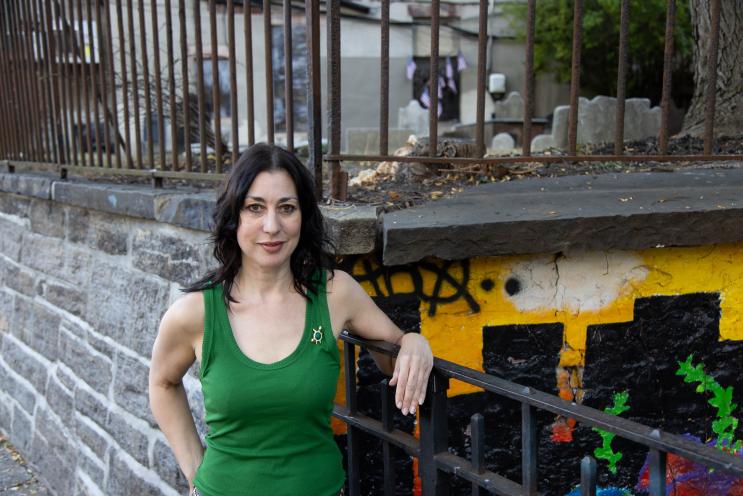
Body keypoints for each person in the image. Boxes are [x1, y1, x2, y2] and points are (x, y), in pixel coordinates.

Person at [149, 143, 434, 496]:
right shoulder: (195, 313)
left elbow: (392, 355)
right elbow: (162, 383)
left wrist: (414, 342)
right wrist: (194, 471)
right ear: (233, 217)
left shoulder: (335, 294)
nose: (272, 226)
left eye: (286, 208)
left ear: (303, 216)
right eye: (255, 208)